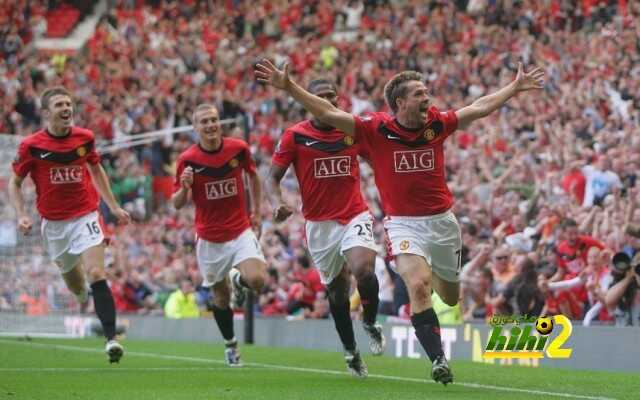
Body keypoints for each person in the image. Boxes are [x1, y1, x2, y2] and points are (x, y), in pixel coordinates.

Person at [255, 59, 545, 384]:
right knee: (417, 285)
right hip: (402, 224)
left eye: (427, 92)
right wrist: (290, 87)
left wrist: (514, 88)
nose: (428, 99)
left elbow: (478, 107)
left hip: (442, 224)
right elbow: (328, 113)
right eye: (420, 93)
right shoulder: (373, 130)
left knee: (449, 296)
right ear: (400, 102)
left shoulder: (436, 124)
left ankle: (434, 275)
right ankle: (438, 360)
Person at [269, 79, 385, 377]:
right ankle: (351, 352)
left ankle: (370, 321)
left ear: (338, 99)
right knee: (336, 294)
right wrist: (276, 202)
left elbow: (378, 159)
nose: (326, 102)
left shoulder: (351, 129)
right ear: (308, 100)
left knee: (365, 271)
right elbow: (272, 178)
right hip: (319, 226)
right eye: (319, 97)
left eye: (331, 97)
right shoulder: (295, 136)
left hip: (354, 215)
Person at [9, 86, 131, 363]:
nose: (66, 108)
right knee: (76, 284)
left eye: (68, 103)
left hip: (86, 215)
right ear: (46, 113)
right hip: (54, 224)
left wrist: (113, 206)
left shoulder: (85, 138)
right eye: (59, 105)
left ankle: (111, 339)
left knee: (97, 272)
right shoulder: (32, 146)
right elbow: (15, 183)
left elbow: (96, 169)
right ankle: (80, 293)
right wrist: (21, 214)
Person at [171, 103, 267, 366]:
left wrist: (256, 211)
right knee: (220, 298)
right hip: (210, 239)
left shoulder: (237, 149)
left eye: (213, 120)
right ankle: (230, 344)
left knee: (258, 280)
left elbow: (254, 176)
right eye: (204, 122)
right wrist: (185, 187)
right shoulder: (187, 160)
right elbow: (177, 203)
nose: (211, 125)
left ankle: (240, 281)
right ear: (196, 128)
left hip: (239, 230)